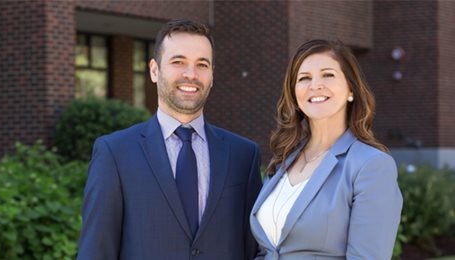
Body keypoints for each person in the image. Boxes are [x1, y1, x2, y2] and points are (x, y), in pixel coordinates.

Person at [77, 19, 262, 260]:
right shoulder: (114, 153)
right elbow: (96, 252)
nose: (191, 74)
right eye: (178, 62)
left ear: (212, 75)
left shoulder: (243, 155)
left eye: (202, 65)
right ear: (154, 70)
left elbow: (253, 249)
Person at [250, 39, 403, 260]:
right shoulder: (283, 160)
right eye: (304, 78)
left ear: (351, 88)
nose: (315, 85)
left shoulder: (371, 165)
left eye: (327, 75)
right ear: (295, 94)